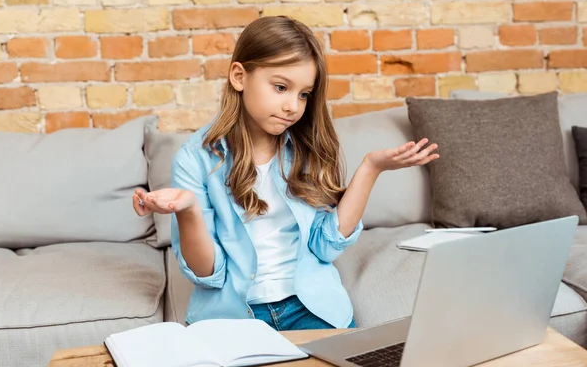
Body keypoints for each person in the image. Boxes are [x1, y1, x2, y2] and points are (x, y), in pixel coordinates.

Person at [133, 16, 439, 331]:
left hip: (312, 309)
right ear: (240, 77)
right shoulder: (195, 159)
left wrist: (371, 168)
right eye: (281, 87)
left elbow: (327, 245)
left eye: (304, 94)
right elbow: (208, 273)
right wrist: (189, 211)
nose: (293, 105)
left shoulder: (308, 147)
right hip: (235, 317)